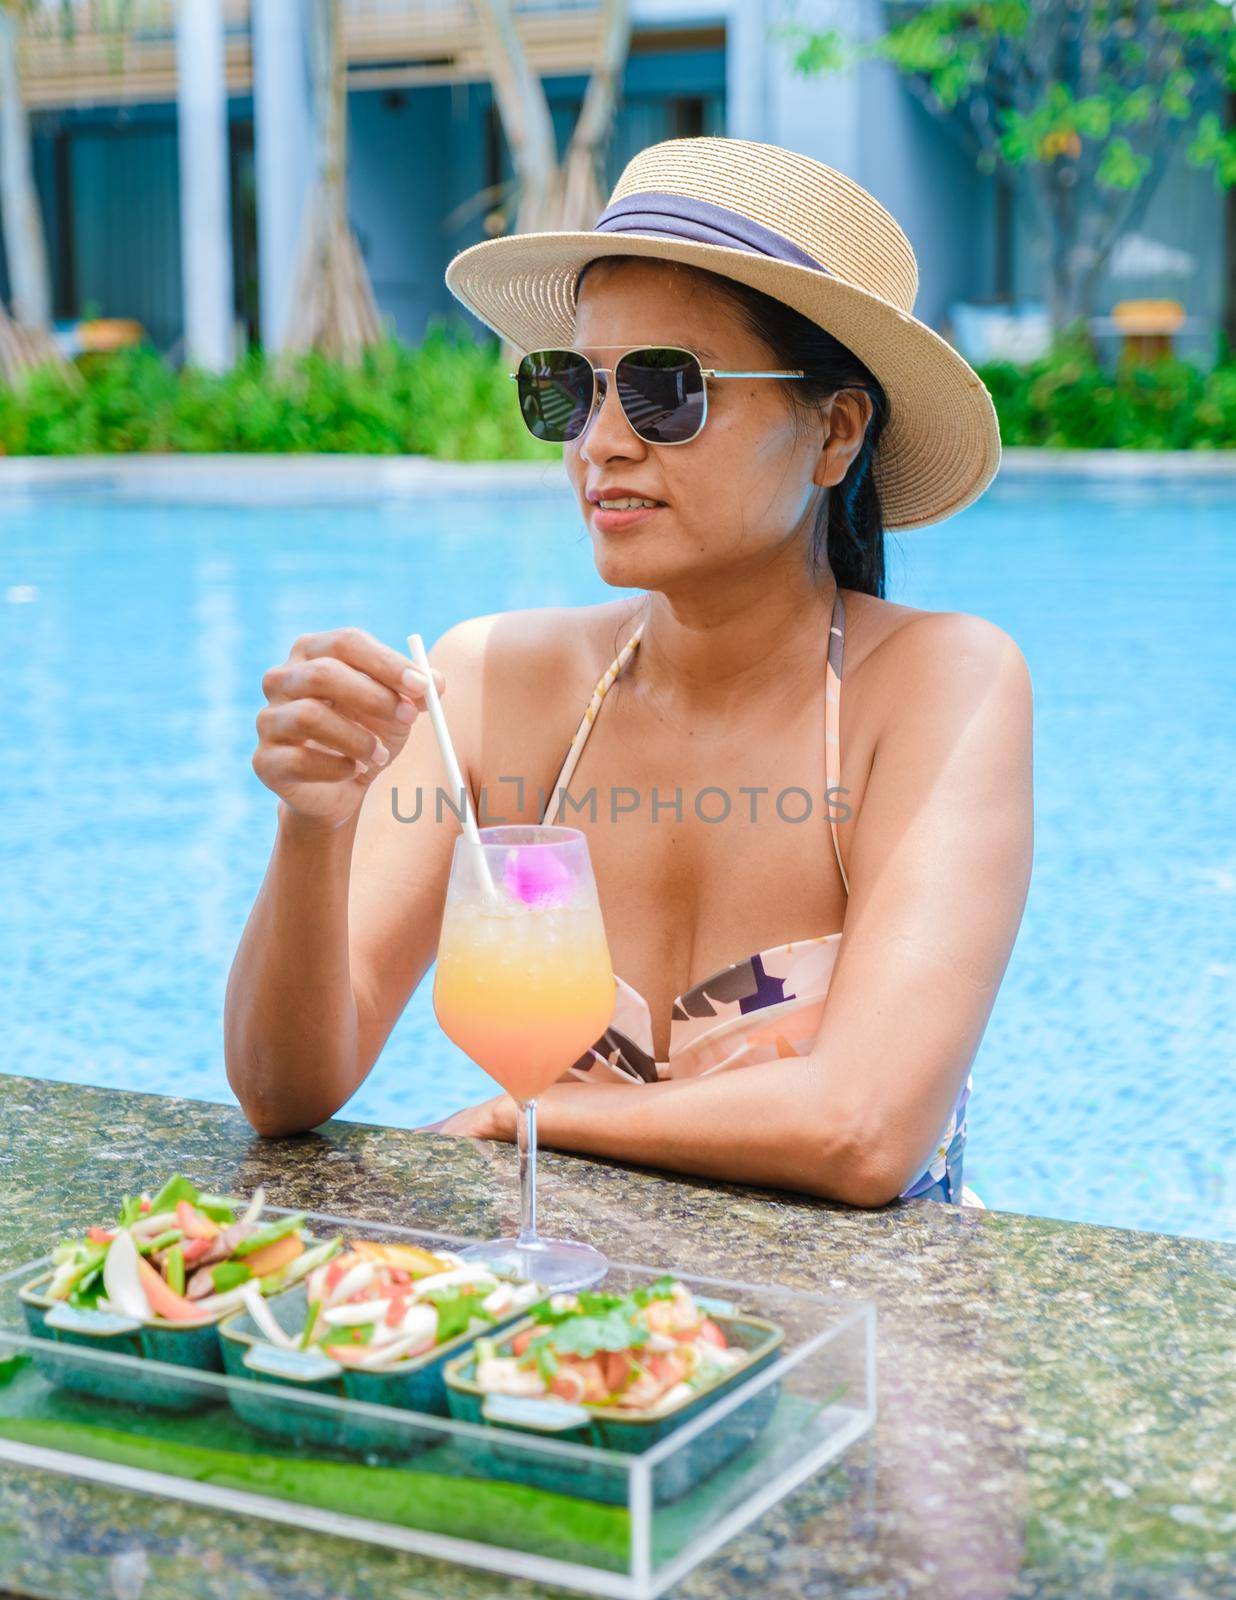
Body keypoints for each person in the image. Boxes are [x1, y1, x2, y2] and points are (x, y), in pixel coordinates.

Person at [225, 136, 1033, 1208]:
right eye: (572, 387)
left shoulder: (938, 687)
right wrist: (313, 825)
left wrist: (534, 1116)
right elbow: (286, 1091)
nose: (600, 441)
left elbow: (863, 1128)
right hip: (561, 1342)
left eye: (666, 389)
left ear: (833, 431)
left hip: (862, 1349)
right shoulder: (491, 684)